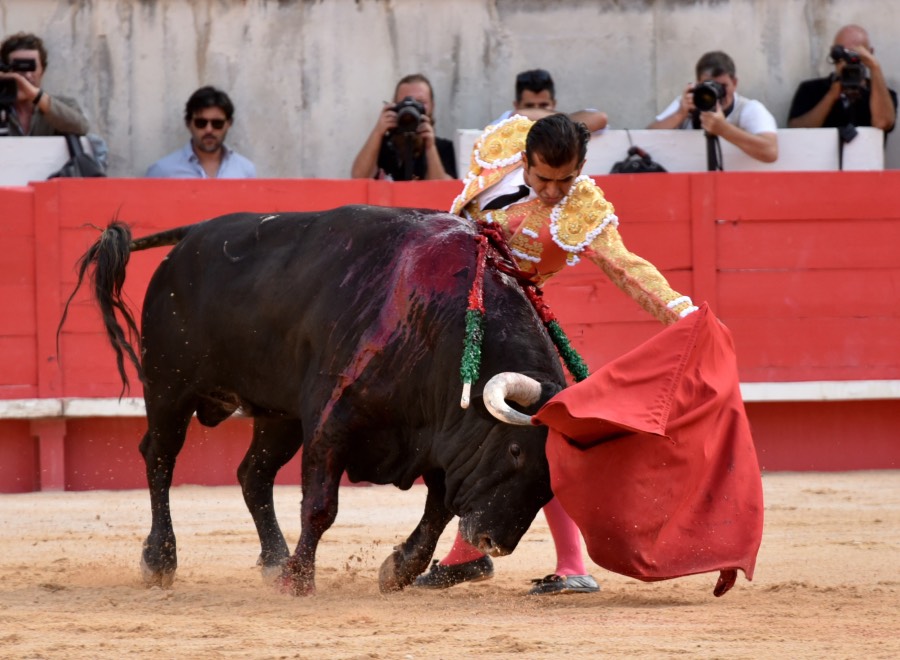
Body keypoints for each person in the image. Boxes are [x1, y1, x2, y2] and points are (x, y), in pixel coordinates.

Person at [413, 113, 699, 596]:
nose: (552, 191)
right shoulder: (503, 145)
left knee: (543, 440)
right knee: (436, 432)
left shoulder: (584, 209)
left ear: (582, 167)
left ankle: (569, 565)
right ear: (525, 159)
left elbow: (628, 269)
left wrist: (684, 314)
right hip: (454, 321)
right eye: (543, 178)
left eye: (564, 180)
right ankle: (470, 551)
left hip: (513, 330)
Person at [648, 51, 778, 163]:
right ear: (697, 84)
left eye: (722, 87)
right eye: (709, 86)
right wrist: (680, 114)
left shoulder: (748, 108)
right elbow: (647, 139)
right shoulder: (687, 103)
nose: (716, 94)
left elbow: (770, 152)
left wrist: (723, 129)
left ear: (734, 83)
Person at [787, 24, 897, 139]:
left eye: (854, 54)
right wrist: (831, 95)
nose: (848, 60)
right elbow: (796, 131)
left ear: (870, 53)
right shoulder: (810, 89)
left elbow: (882, 123)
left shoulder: (883, 94)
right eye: (842, 53)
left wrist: (875, 67)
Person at [350, 73, 457, 180]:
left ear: (432, 106)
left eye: (420, 102)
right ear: (394, 105)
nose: (412, 108)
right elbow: (358, 178)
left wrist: (430, 147)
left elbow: (443, 190)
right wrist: (378, 131)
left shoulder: (444, 148)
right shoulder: (383, 146)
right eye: (405, 102)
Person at [146, 86, 256, 179]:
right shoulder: (163, 171)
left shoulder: (245, 170)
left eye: (217, 123)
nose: (209, 129)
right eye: (201, 123)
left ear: (229, 123)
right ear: (188, 123)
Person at [0, 31, 89, 136]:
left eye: (32, 67)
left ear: (42, 70)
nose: (28, 75)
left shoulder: (62, 106)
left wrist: (35, 96)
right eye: (20, 68)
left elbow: (81, 127)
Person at [491, 68, 608, 132]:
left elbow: (600, 118)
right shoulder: (504, 122)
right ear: (516, 105)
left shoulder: (569, 118)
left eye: (543, 105)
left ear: (554, 104)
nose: (536, 112)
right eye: (529, 106)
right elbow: (520, 115)